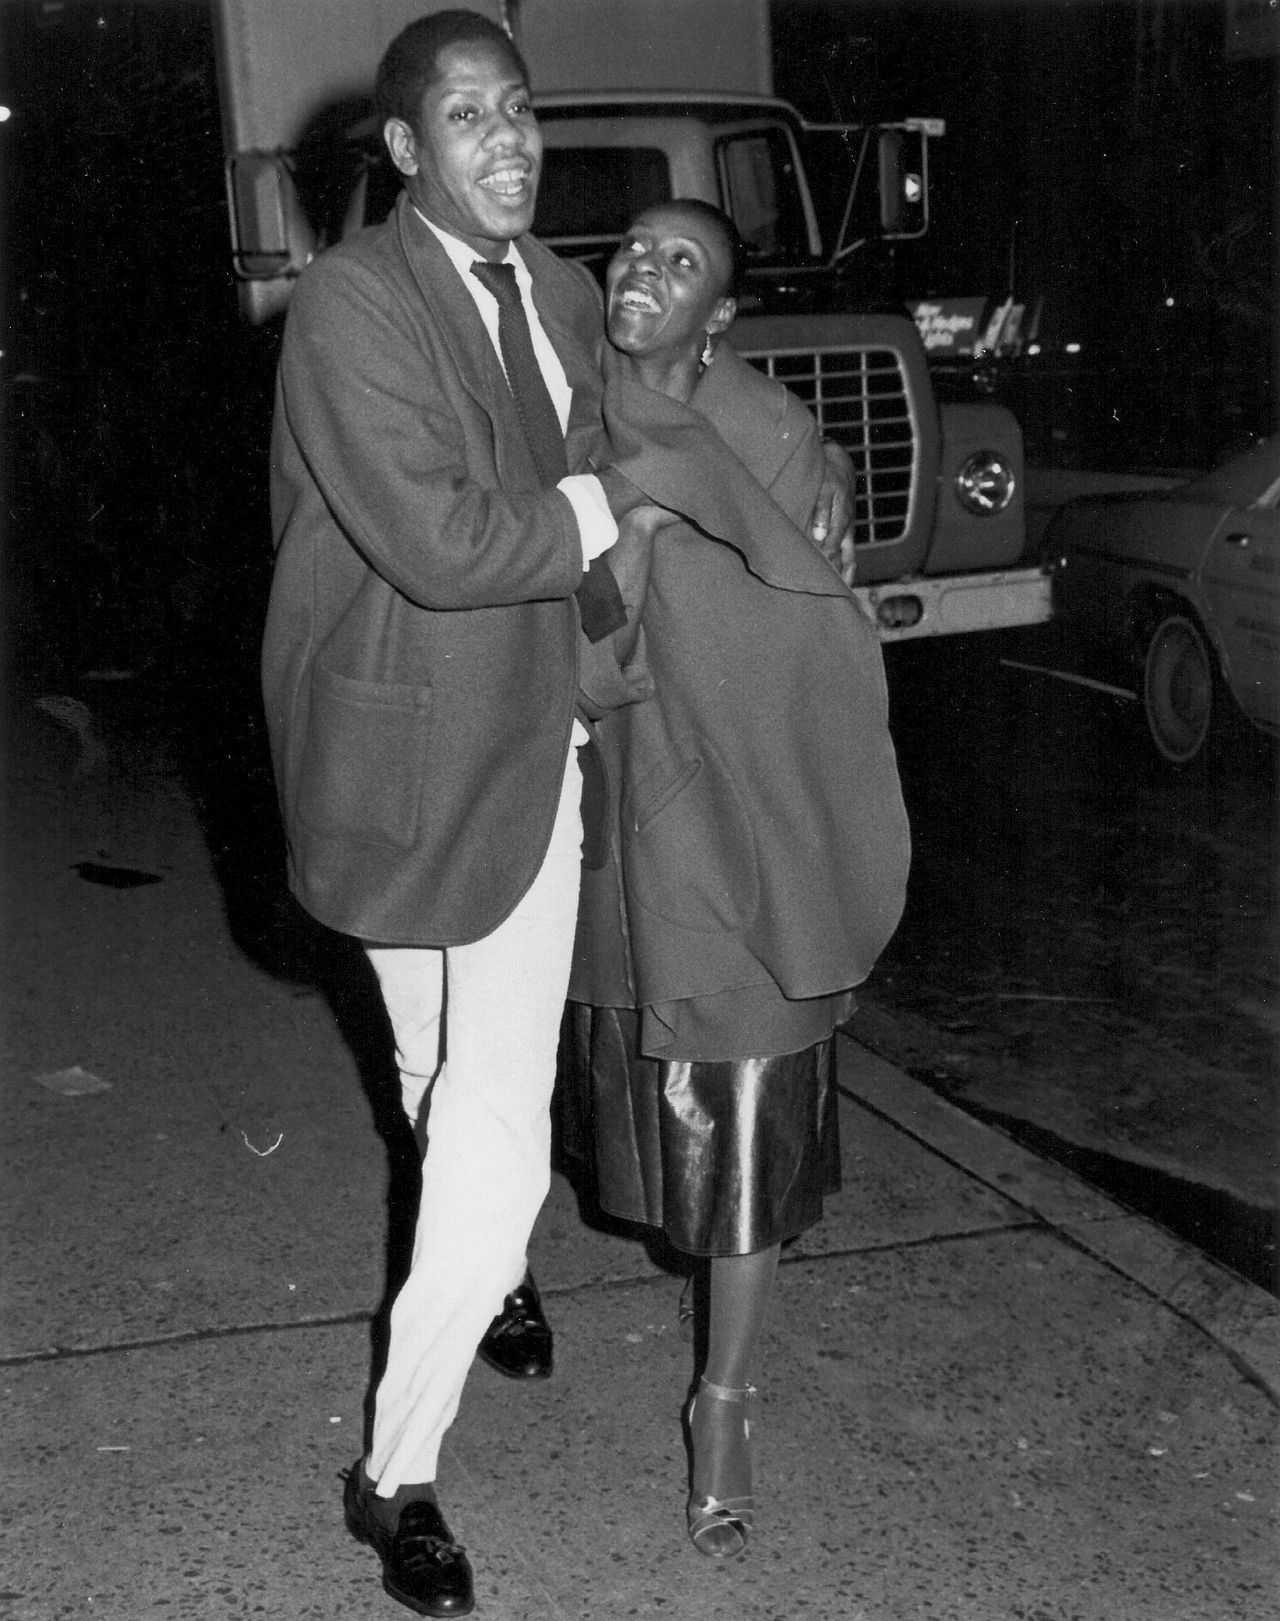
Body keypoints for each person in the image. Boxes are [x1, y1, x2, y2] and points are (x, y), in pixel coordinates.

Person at [262, 14, 852, 1615]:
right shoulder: (351, 306)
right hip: (396, 761)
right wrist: (615, 503)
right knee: (435, 1068)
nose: (508, 140)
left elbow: (664, 400)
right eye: (467, 117)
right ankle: (494, 1262)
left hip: (534, 754)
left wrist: (797, 456)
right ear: (406, 151)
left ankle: (394, 1473)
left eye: (517, 109)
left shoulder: (571, 295)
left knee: (495, 1127)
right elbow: (446, 539)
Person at [564, 200, 911, 1561]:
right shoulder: (569, 413)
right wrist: (639, 541)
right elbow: (558, 643)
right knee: (614, 1115)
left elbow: (807, 642)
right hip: (618, 821)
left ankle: (725, 1401)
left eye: (683, 263)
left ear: (721, 316)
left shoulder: (769, 432)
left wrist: (799, 475)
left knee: (750, 1123)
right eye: (634, 250)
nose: (644, 272)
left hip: (742, 829)